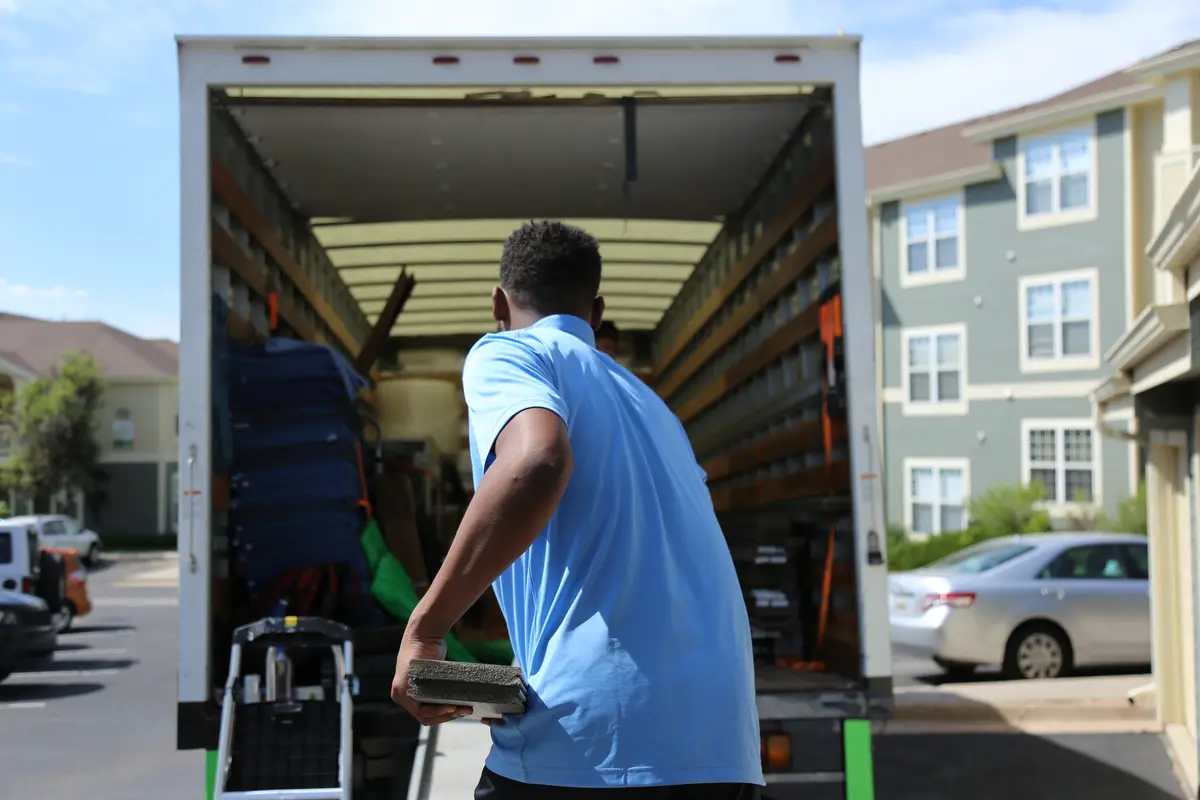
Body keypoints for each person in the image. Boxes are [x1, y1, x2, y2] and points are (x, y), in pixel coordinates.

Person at [391, 221, 763, 799]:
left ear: (498, 303)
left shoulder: (512, 352)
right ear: (596, 311)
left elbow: (537, 459)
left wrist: (426, 630)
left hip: (591, 749)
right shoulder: (656, 409)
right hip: (722, 752)